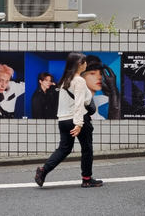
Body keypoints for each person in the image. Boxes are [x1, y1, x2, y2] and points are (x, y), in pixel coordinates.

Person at [34, 52, 103, 188]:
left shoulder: (65, 80)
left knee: (64, 148)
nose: (86, 64)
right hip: (77, 118)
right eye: (84, 62)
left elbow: (64, 104)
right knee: (87, 148)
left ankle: (43, 171)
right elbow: (79, 103)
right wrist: (78, 123)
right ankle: (87, 179)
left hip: (63, 120)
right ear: (79, 64)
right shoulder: (79, 80)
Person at [81, 55, 120, 120]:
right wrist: (113, 89)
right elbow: (113, 125)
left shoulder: (91, 99)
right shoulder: (82, 106)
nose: (99, 77)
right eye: (93, 73)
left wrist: (111, 90)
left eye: (100, 73)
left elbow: (117, 102)